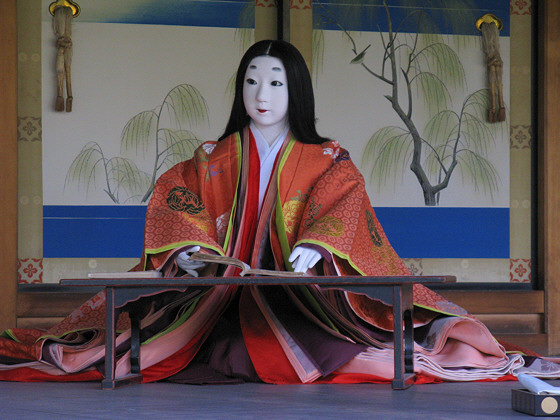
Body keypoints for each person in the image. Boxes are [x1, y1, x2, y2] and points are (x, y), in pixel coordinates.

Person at [0, 40, 555, 384]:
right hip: (219, 296)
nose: (260, 93)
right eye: (250, 80)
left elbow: (344, 197)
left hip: (303, 297)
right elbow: (178, 194)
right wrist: (190, 249)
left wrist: (320, 242)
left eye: (274, 81)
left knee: (353, 354)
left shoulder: (327, 157)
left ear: (296, 90)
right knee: (185, 351)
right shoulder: (211, 158)